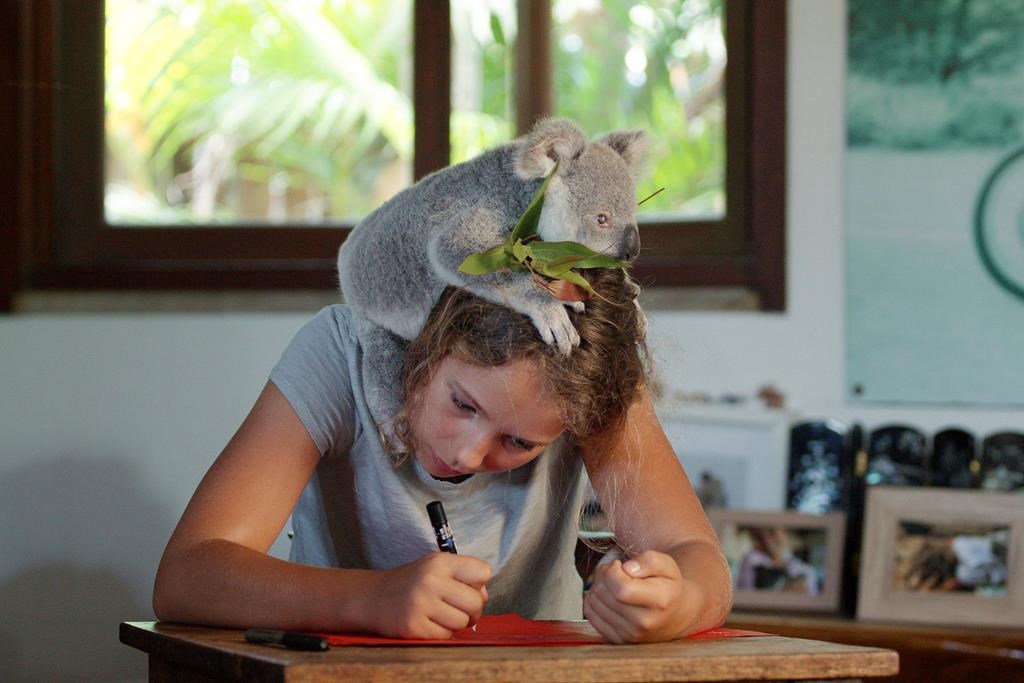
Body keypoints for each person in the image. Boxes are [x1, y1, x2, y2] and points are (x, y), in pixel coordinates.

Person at [152, 268, 732, 643]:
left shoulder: (590, 380)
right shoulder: (342, 352)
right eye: (462, 402)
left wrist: (677, 602)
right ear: (429, 340)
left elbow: (700, 560)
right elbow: (188, 575)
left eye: (518, 443)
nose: (466, 450)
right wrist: (373, 599)